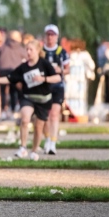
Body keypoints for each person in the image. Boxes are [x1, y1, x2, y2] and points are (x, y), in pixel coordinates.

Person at [0, 39, 61, 159]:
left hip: (43, 100)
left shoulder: (44, 64)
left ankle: (34, 151)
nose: (28, 52)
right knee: (25, 119)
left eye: (31, 50)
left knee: (38, 127)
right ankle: (23, 148)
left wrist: (43, 79)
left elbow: (57, 78)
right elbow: (9, 78)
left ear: (38, 51)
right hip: (28, 97)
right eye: (27, 49)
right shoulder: (23, 67)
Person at [41, 24, 69, 155]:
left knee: (54, 114)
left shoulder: (61, 52)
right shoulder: (41, 51)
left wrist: (60, 70)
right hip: (44, 86)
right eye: (48, 34)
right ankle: (47, 138)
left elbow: (67, 69)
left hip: (58, 86)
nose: (50, 37)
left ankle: (53, 142)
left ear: (57, 36)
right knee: (44, 116)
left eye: (52, 35)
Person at [0, 30, 27, 119]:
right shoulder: (20, 47)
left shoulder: (3, 46)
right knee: (13, 92)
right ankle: (13, 110)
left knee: (3, 92)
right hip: (15, 71)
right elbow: (26, 56)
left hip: (3, 70)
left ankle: (3, 111)